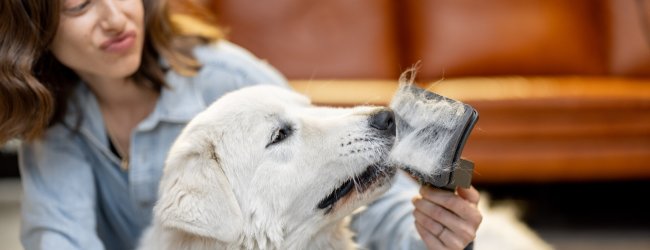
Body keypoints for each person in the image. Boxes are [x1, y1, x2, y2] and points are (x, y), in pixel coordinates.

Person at [0, 0, 482, 249]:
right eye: (78, 6)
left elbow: (376, 203)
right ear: (36, 30)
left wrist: (432, 236)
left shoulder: (230, 77)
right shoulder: (55, 126)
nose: (115, 16)